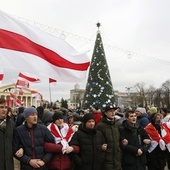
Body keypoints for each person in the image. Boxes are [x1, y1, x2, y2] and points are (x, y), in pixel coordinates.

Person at [96, 105, 122, 170]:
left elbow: (120, 138)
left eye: (114, 111)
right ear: (105, 113)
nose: (113, 113)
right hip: (106, 159)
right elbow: (97, 140)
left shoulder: (117, 124)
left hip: (117, 158)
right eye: (110, 111)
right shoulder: (100, 125)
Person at [0, 98, 15, 170]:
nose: (4, 110)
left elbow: (15, 141)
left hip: (8, 164)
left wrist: (20, 148)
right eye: (1, 107)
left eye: (6, 107)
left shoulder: (11, 123)